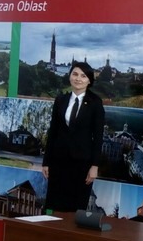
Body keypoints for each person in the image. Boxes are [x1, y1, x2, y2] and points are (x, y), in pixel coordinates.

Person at [42, 61, 105, 212]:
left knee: (75, 208)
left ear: (89, 80)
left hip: (82, 165)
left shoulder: (95, 102)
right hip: (58, 162)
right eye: (75, 74)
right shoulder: (60, 100)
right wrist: (46, 162)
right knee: (55, 205)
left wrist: (94, 166)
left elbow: (98, 136)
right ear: (69, 76)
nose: (78, 79)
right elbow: (53, 132)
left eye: (83, 76)